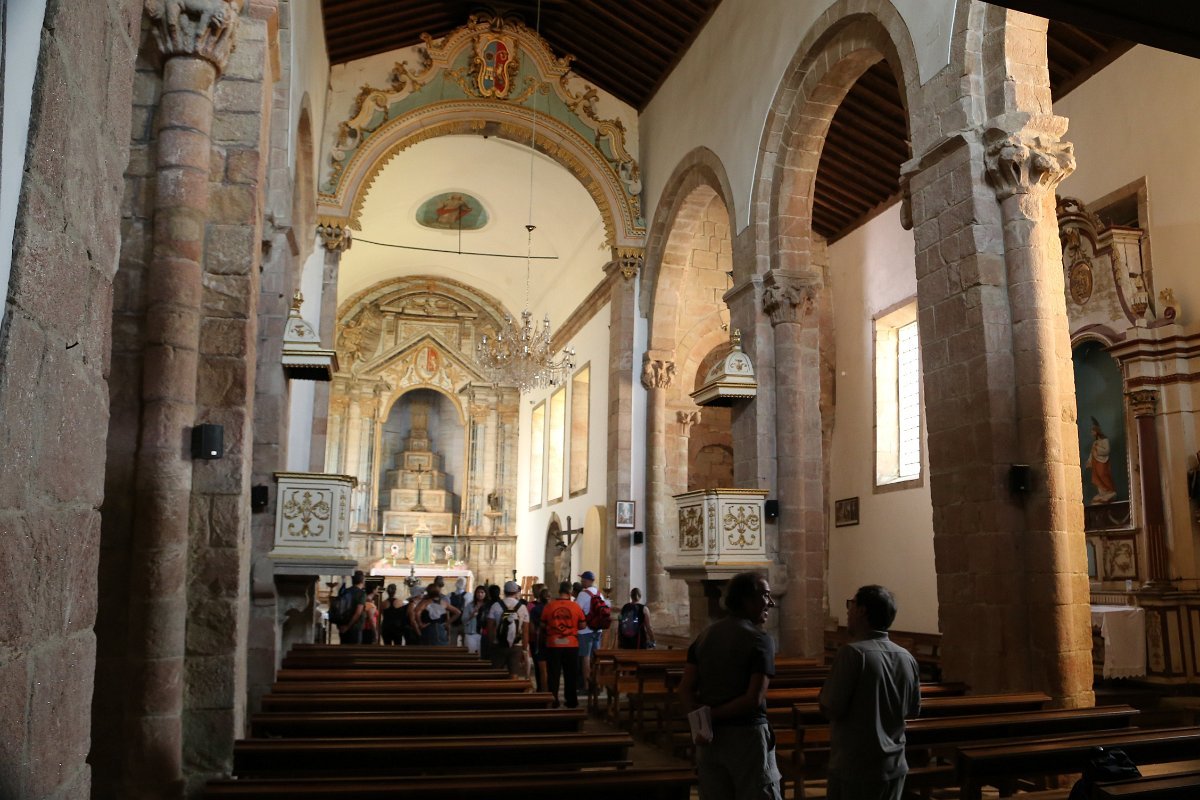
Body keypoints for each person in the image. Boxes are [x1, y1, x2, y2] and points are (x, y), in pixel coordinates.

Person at [679, 571, 780, 800]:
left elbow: (684, 689)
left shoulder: (705, 636)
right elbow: (754, 698)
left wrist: (701, 722)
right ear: (746, 599)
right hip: (747, 737)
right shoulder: (760, 640)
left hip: (710, 739)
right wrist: (712, 715)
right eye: (765, 595)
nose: (771, 603)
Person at [819, 585, 921, 800]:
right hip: (894, 765)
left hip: (857, 767)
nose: (848, 610)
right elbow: (912, 710)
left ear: (862, 611)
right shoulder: (906, 657)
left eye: (851, 604)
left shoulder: (852, 653)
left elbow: (831, 708)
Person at [542, 580, 587, 708]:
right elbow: (583, 625)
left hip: (553, 644)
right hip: (571, 644)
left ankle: (553, 700)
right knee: (570, 674)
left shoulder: (549, 606)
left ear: (559, 591)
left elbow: (542, 624)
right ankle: (571, 701)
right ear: (570, 592)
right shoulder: (575, 606)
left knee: (553, 674)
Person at [486, 580, 531, 678]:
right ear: (516, 592)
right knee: (514, 675)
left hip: (499, 644)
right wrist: (524, 650)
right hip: (516, 645)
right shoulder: (522, 608)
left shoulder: (496, 606)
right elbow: (525, 631)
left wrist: (491, 644)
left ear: (504, 591)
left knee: (496, 675)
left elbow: (490, 628)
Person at [574, 571, 607, 693]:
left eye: (583, 579)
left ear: (588, 581)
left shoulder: (583, 594)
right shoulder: (599, 594)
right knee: (595, 658)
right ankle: (596, 685)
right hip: (597, 630)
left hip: (585, 630)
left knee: (585, 658)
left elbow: (576, 610)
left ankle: (587, 686)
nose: (581, 581)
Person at [1085, 417, 1118, 503]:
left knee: (1103, 475)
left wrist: (1098, 448)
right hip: (1095, 462)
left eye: (1092, 431)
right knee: (1096, 477)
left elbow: (1107, 450)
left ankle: (1109, 491)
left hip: (1102, 461)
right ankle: (1102, 493)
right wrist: (1089, 461)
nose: (1091, 433)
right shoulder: (1095, 442)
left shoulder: (1104, 440)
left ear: (1096, 431)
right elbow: (1092, 453)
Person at [527, 584, 551, 691]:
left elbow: (531, 629)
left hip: (538, 640)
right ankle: (550, 690)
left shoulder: (534, 608)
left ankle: (541, 690)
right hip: (552, 640)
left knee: (539, 667)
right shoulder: (553, 608)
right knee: (551, 667)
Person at [336, 571, 367, 645]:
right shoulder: (361, 594)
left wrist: (340, 625)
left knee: (344, 648)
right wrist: (348, 626)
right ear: (362, 580)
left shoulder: (345, 591)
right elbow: (358, 612)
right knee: (354, 650)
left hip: (343, 626)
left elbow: (338, 609)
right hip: (355, 628)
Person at [462, 585, 488, 654]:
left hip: (484, 634)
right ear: (475, 593)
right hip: (471, 633)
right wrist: (471, 615)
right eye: (478, 592)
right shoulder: (470, 605)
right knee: (471, 654)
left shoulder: (488, 606)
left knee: (482, 654)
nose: (480, 594)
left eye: (482, 592)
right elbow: (463, 619)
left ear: (485, 594)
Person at [448, 577, 469, 645]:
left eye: (462, 582)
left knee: (464, 644)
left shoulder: (468, 595)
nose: (461, 583)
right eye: (459, 582)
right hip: (453, 623)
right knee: (452, 644)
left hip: (463, 624)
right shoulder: (449, 595)